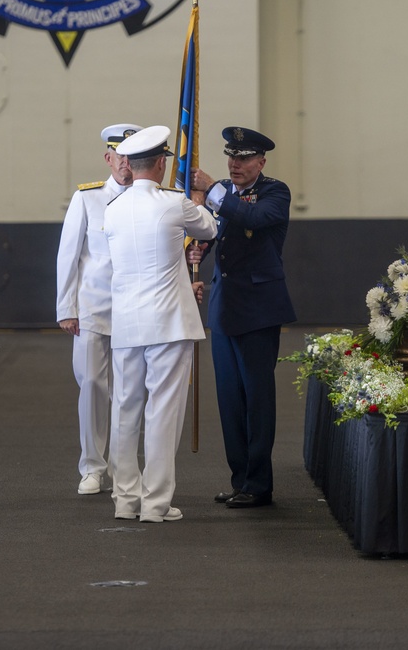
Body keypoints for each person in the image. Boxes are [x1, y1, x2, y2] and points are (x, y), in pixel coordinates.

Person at [104, 125, 218, 523]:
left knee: (125, 410)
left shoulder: (112, 208)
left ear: (130, 167)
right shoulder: (173, 203)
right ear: (158, 163)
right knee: (163, 413)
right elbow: (209, 228)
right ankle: (154, 504)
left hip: (127, 323)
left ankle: (125, 499)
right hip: (169, 320)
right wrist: (199, 200)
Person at [189, 127, 297, 509]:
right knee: (229, 400)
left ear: (261, 162)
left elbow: (254, 216)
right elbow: (216, 232)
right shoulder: (223, 196)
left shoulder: (274, 192)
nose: (235, 164)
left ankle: (259, 483)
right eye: (231, 157)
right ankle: (240, 479)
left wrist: (213, 191)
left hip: (258, 309)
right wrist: (198, 249)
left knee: (257, 398)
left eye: (244, 158)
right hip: (224, 307)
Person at [56, 123, 141, 495]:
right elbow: (68, 256)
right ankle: (92, 466)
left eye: (132, 157)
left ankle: (125, 468)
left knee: (129, 391)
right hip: (92, 307)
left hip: (135, 309)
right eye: (119, 156)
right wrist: (66, 307)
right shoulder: (87, 198)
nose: (125, 164)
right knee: (91, 385)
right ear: (108, 159)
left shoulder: (149, 199)